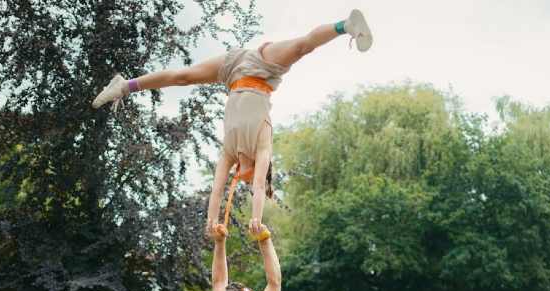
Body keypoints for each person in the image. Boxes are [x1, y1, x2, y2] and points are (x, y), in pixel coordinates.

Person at [94, 11, 372, 243]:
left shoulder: (229, 152)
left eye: (245, 179)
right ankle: (346, 25)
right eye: (250, 179)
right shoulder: (263, 146)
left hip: (233, 72)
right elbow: (259, 190)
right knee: (301, 47)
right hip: (263, 66)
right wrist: (256, 219)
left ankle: (124, 86)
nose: (245, 178)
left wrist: (211, 221)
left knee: (183, 77)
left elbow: (216, 190)